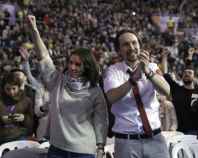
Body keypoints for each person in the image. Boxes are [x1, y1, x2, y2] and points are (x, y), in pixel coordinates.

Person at [28, 15, 108, 158]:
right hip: (57, 149)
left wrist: (101, 147)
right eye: (70, 62)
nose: (72, 67)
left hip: (84, 151)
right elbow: (44, 57)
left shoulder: (95, 91)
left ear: (87, 66)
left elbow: (100, 120)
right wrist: (35, 31)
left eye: (78, 64)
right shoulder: (58, 80)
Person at [103, 29, 170, 158]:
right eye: (126, 44)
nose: (132, 47)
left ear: (140, 45)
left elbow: (167, 91)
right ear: (119, 50)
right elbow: (111, 97)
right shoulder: (112, 71)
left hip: (155, 139)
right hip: (126, 142)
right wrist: (133, 79)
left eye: (134, 43)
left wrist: (148, 72)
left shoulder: (152, 67)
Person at [0, 72, 34, 144]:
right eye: (8, 89)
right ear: (3, 88)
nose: (11, 92)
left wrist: (24, 118)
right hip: (2, 137)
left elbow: (32, 123)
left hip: (20, 135)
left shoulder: (26, 100)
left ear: (18, 87)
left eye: (14, 88)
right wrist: (1, 119)